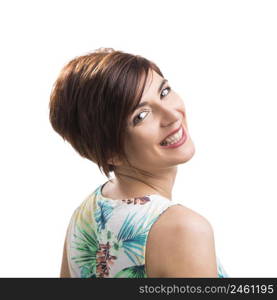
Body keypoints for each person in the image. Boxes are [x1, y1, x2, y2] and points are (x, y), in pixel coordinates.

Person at [49, 47, 228, 278]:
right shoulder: (183, 230)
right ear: (110, 151)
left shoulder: (88, 212)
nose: (172, 115)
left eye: (164, 92)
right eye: (141, 116)